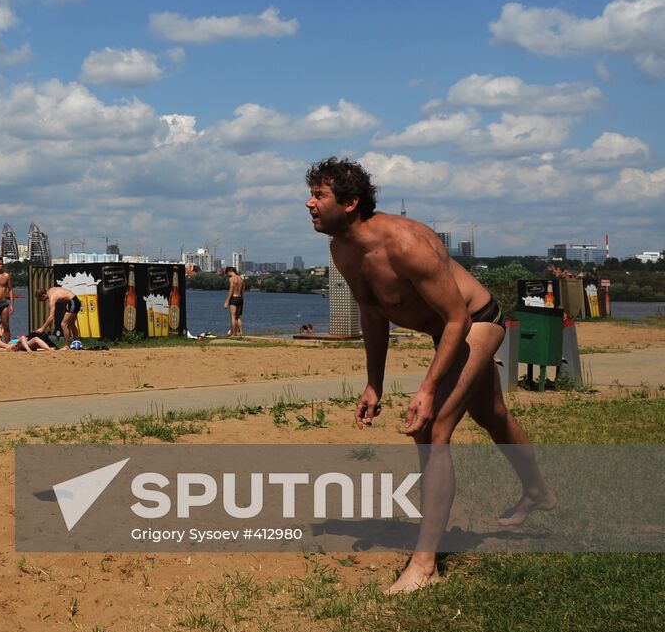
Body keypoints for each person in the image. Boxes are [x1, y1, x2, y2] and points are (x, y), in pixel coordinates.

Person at [306, 156, 554, 594]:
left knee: (433, 425)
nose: (309, 203)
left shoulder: (405, 243)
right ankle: (537, 491)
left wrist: (428, 388)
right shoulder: (341, 249)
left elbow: (457, 319)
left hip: (475, 322)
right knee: (492, 414)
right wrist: (374, 383)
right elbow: (372, 313)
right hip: (448, 328)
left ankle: (426, 564)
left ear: (350, 203)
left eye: (319, 195)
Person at [223, 266, 245, 337]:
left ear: (229, 272)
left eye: (227, 274)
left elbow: (231, 290)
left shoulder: (232, 279)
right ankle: (241, 333)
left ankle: (234, 334)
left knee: (233, 317)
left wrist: (227, 301)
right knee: (238, 317)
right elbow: (242, 290)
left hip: (234, 298)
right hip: (240, 298)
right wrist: (241, 299)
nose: (227, 275)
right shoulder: (241, 279)